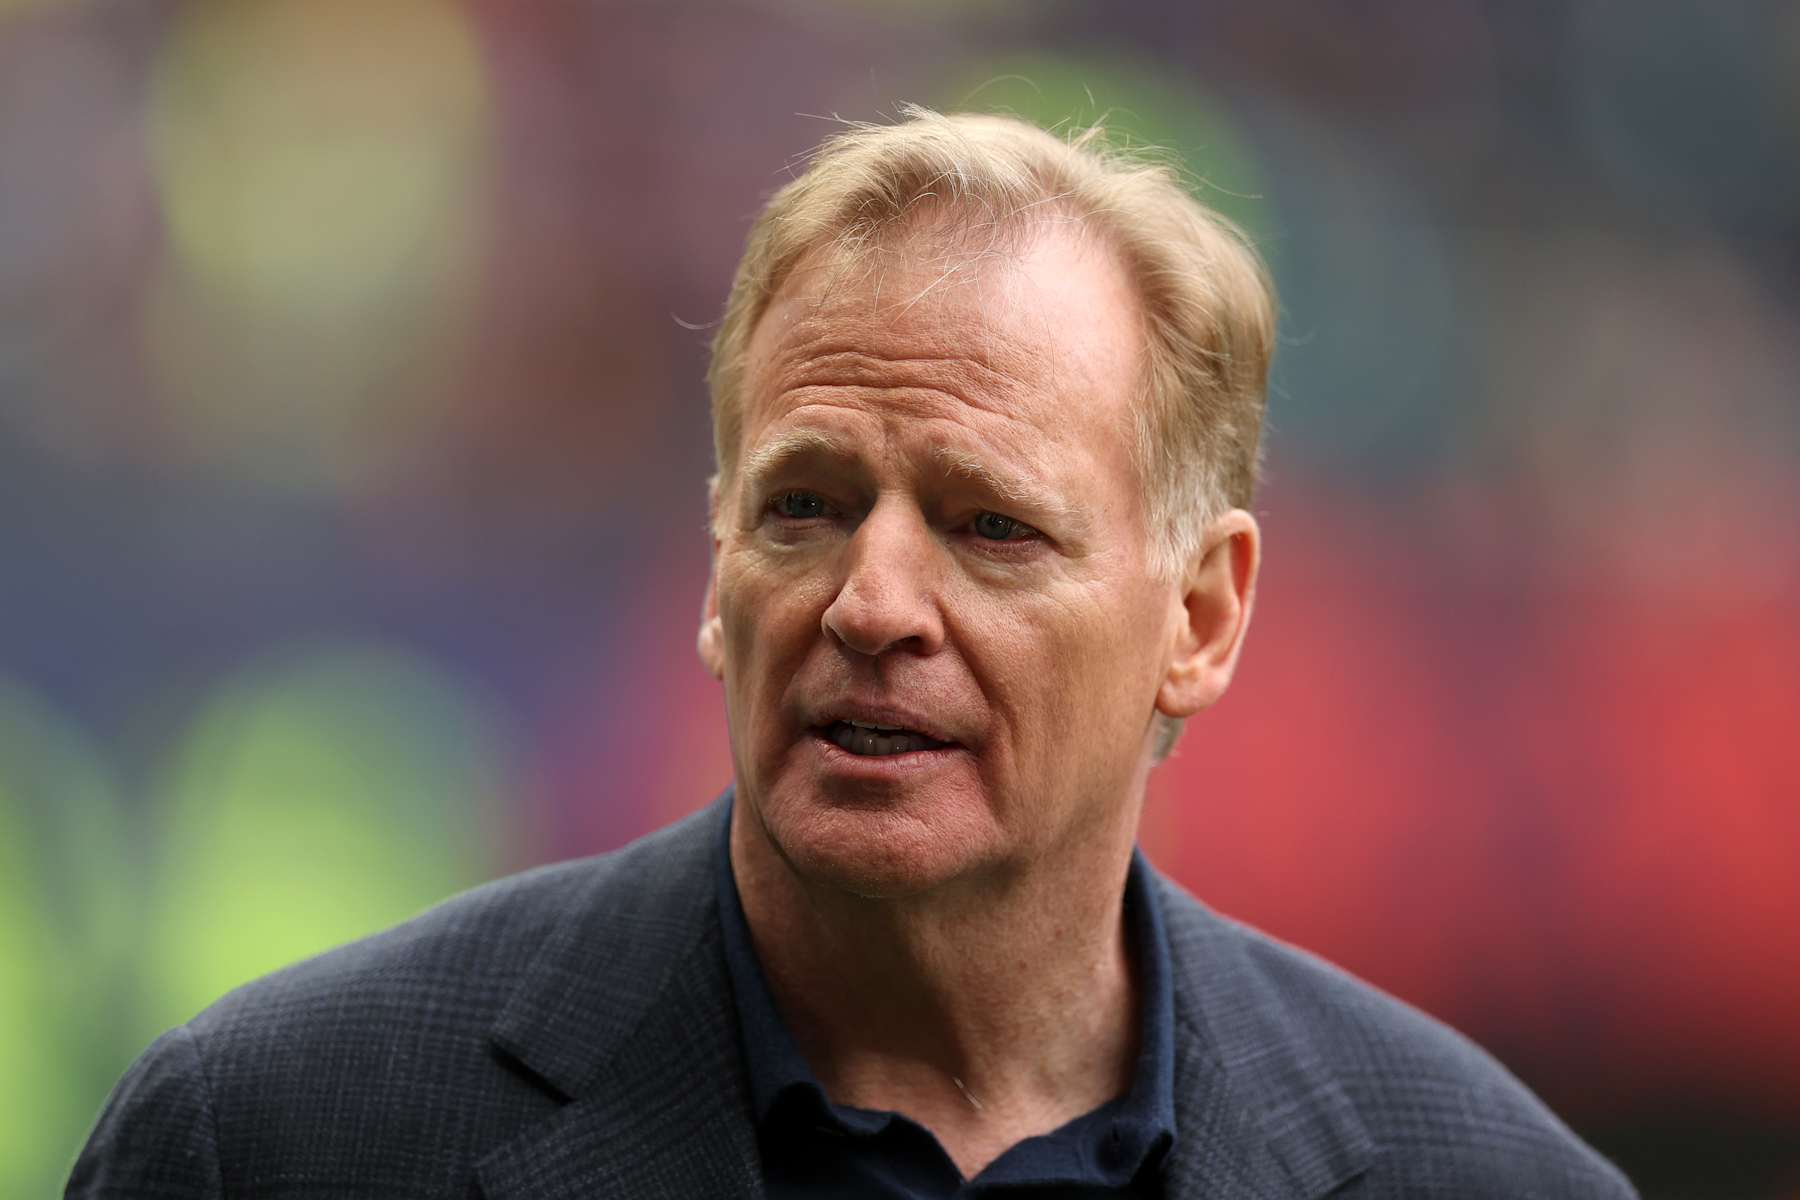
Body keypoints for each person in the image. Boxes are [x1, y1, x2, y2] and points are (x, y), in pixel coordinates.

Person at [69, 108, 1636, 1198]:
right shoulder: (277, 1141)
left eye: (990, 527)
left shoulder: (1484, 1176)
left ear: (1200, 617)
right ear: (715, 564)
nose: (871, 602)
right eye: (806, 507)